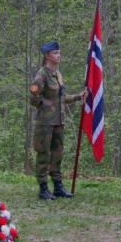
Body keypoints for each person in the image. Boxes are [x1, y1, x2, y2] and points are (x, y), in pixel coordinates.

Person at [29, 41, 86, 200]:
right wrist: (45, 107)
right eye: (55, 53)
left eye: (59, 52)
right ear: (47, 56)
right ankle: (43, 188)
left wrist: (77, 97)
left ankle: (58, 186)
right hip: (45, 122)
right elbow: (33, 96)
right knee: (43, 154)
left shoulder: (58, 74)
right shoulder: (42, 74)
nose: (58, 55)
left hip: (59, 121)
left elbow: (60, 97)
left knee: (57, 154)